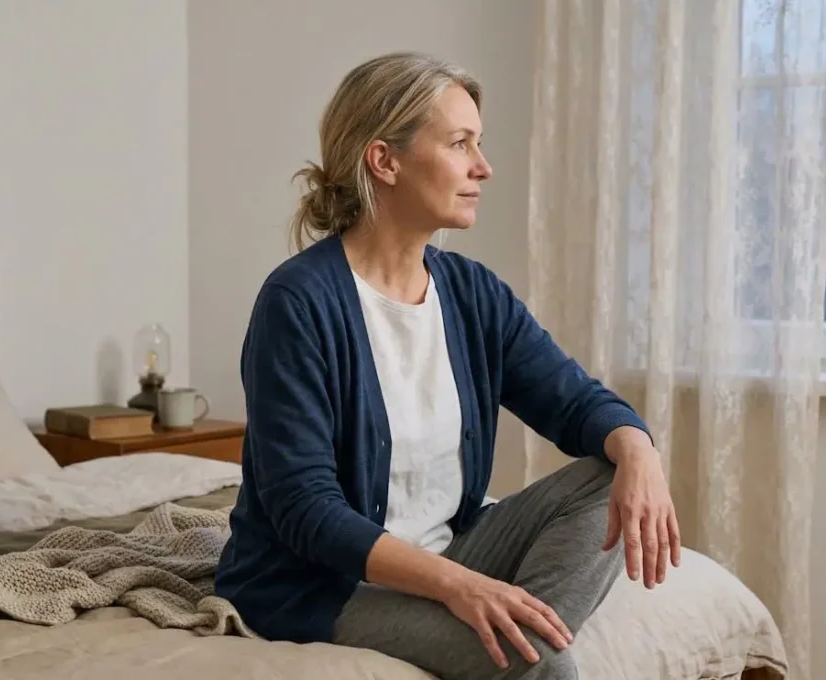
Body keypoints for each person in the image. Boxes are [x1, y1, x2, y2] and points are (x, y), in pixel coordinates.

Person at [214, 51, 681, 680]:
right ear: (385, 160)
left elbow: (573, 401)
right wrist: (457, 586)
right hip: (322, 585)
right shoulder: (298, 303)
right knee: (542, 664)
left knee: (610, 470)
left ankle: (524, 631)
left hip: (455, 547)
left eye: (478, 144)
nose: (483, 168)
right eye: (460, 144)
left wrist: (639, 450)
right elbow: (305, 509)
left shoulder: (471, 293)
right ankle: (528, 646)